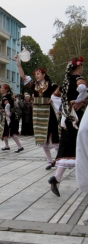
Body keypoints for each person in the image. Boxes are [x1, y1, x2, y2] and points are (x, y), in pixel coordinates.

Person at [48, 56, 87, 197]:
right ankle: (57, 179)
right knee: (80, 147)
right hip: (77, 118)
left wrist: (63, 108)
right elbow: (83, 88)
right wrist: (80, 100)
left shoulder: (64, 83)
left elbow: (54, 98)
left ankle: (56, 179)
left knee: (67, 147)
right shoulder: (78, 80)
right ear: (79, 67)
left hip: (67, 119)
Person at [15, 55, 61, 168]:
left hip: (48, 112)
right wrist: (18, 64)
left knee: (53, 135)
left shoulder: (51, 85)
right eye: (35, 74)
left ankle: (59, 159)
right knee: (42, 137)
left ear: (44, 74)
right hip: (38, 113)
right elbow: (23, 77)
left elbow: (61, 92)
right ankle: (50, 161)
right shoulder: (34, 85)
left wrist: (54, 98)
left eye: (38, 74)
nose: (36, 76)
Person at [0, 84, 24, 153]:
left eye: (2, 88)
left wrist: (7, 112)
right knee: (5, 130)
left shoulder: (6, 97)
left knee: (13, 131)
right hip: (7, 116)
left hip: (9, 117)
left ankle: (20, 146)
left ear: (6, 90)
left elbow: (8, 105)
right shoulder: (6, 96)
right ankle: (7, 146)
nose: (1, 89)